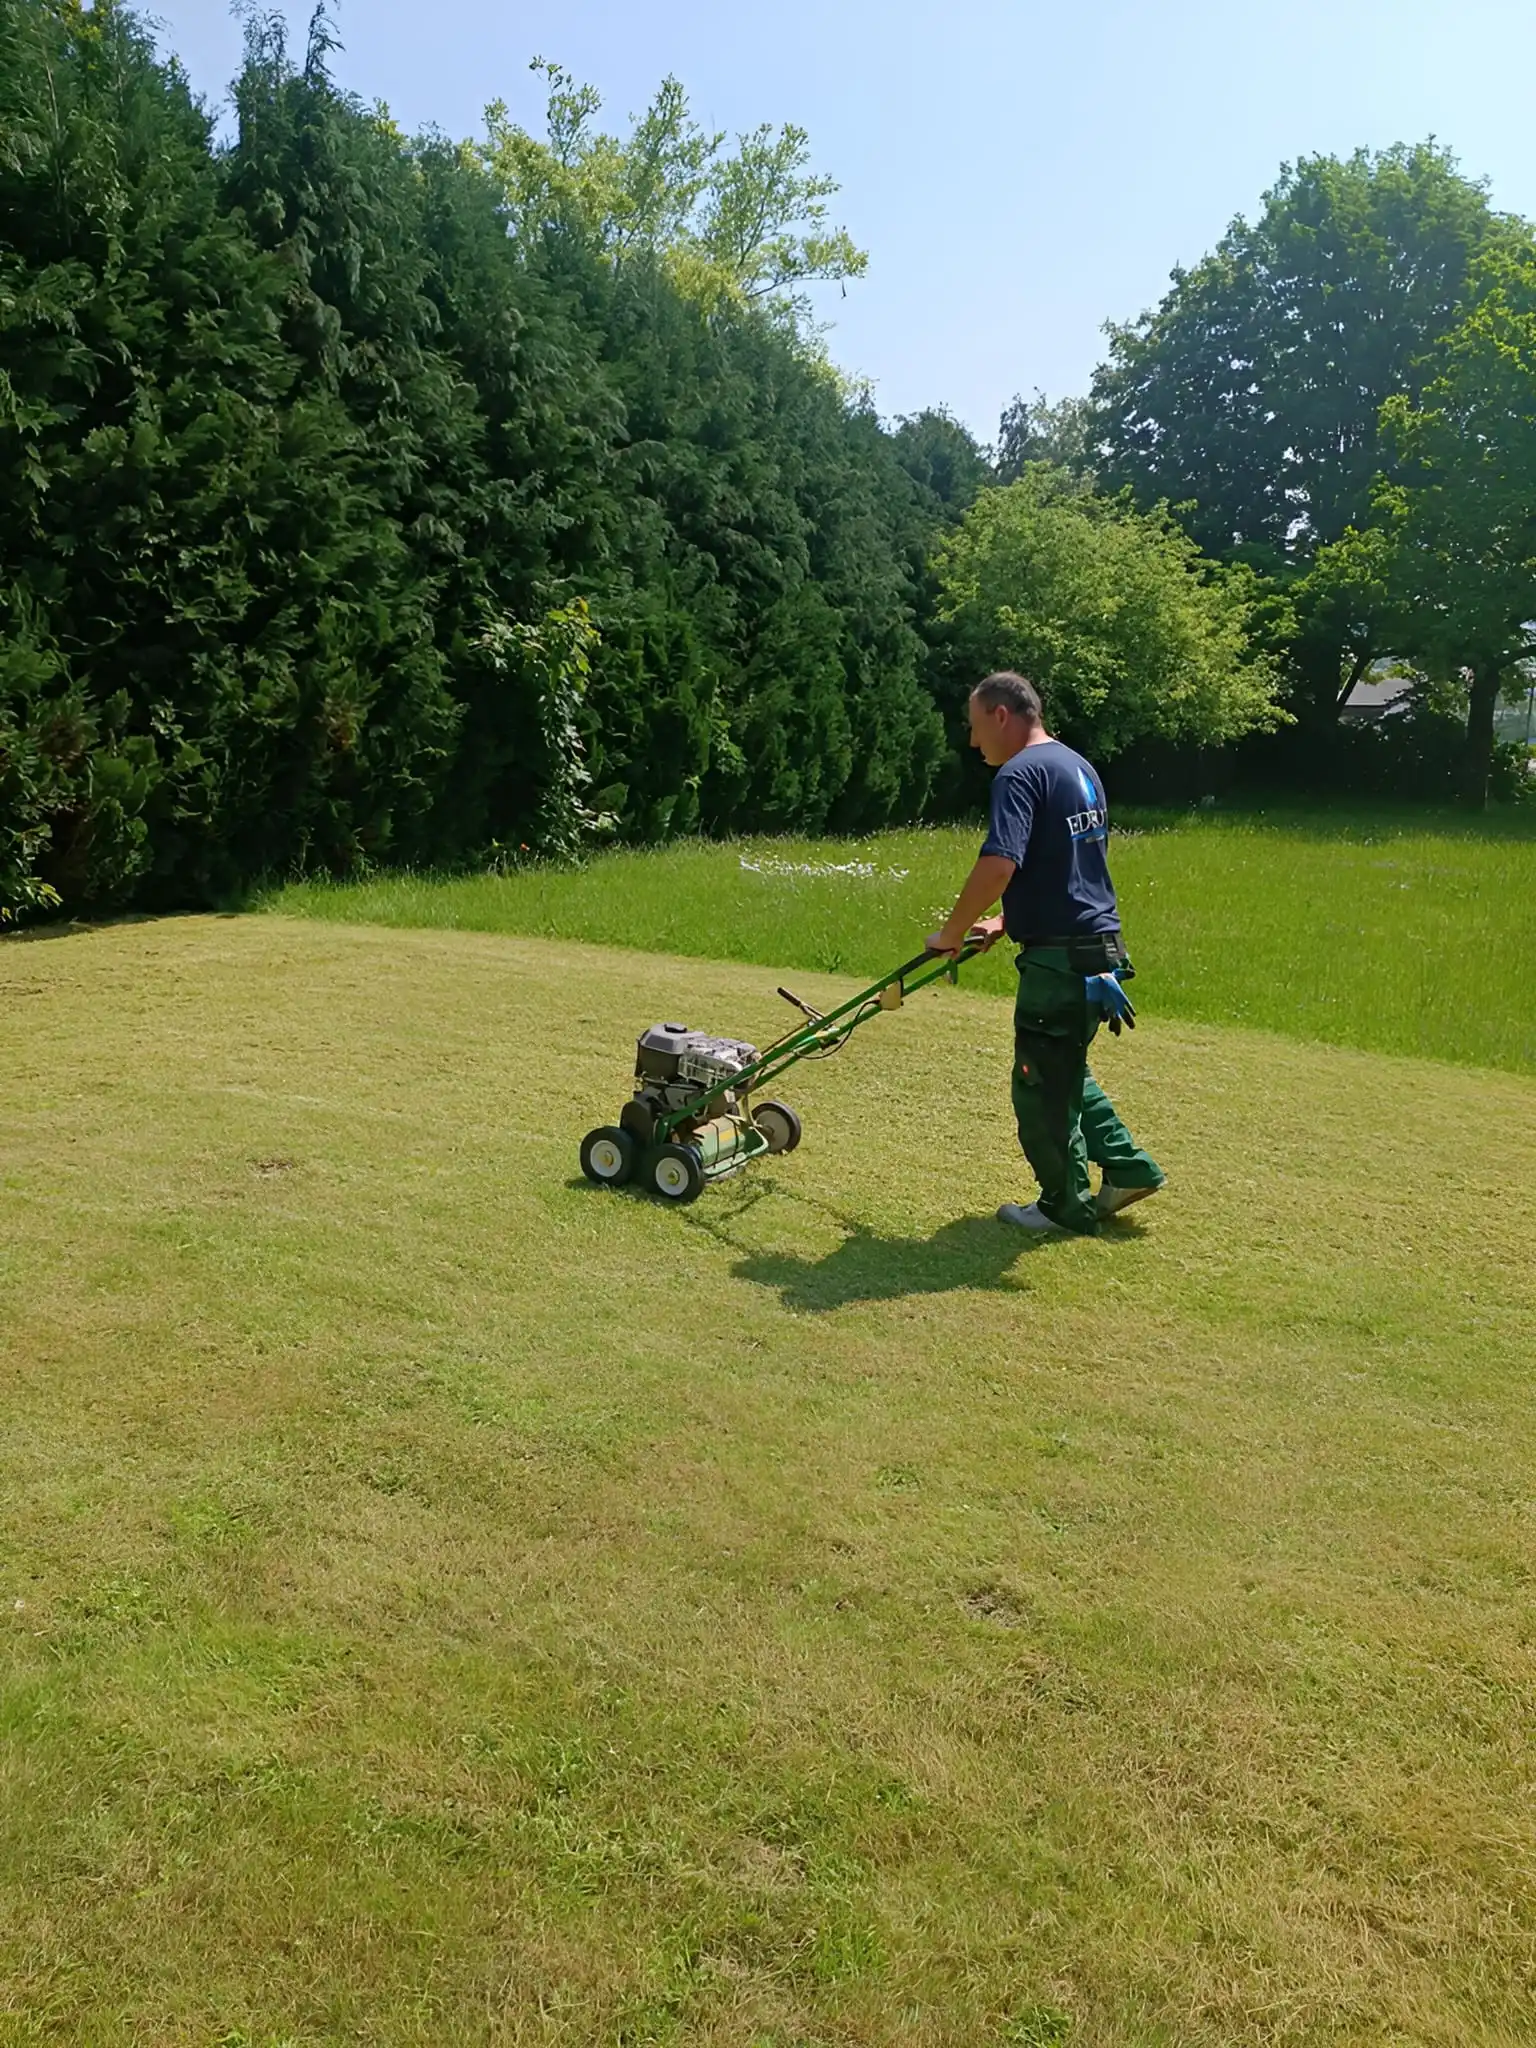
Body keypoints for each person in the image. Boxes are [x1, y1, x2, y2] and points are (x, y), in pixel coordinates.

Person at [925, 670, 1165, 1235]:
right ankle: (1129, 1169)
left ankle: (1063, 1205)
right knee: (1066, 1070)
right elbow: (1069, 868)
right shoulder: (1077, 768)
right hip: (1099, 949)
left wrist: (951, 931)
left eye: (976, 726)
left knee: (1039, 1085)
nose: (973, 741)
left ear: (1001, 715)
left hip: (1059, 961)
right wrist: (1007, 921)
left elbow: (999, 863)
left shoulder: (1018, 773)